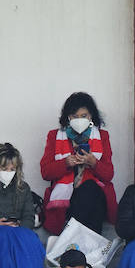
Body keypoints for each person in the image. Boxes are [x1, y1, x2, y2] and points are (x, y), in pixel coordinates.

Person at [40, 92, 118, 235]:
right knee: (85, 198)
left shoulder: (102, 136)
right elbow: (45, 172)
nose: (79, 119)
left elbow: (108, 174)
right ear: (68, 117)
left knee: (89, 189)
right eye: (75, 116)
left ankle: (71, 245)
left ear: (91, 117)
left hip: (95, 195)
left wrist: (94, 163)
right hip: (67, 197)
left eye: (84, 116)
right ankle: (86, 248)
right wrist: (65, 163)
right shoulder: (54, 136)